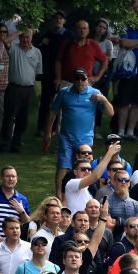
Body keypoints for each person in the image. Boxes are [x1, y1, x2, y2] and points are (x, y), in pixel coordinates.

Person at [45, 68, 115, 198]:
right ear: (73, 80)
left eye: (83, 79)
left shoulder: (95, 93)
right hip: (66, 136)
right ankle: (60, 196)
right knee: (63, 165)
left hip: (85, 139)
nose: (80, 82)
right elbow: (53, 111)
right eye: (77, 79)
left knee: (83, 167)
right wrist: (48, 131)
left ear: (87, 80)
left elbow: (111, 113)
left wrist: (103, 99)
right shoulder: (64, 93)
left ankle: (82, 194)